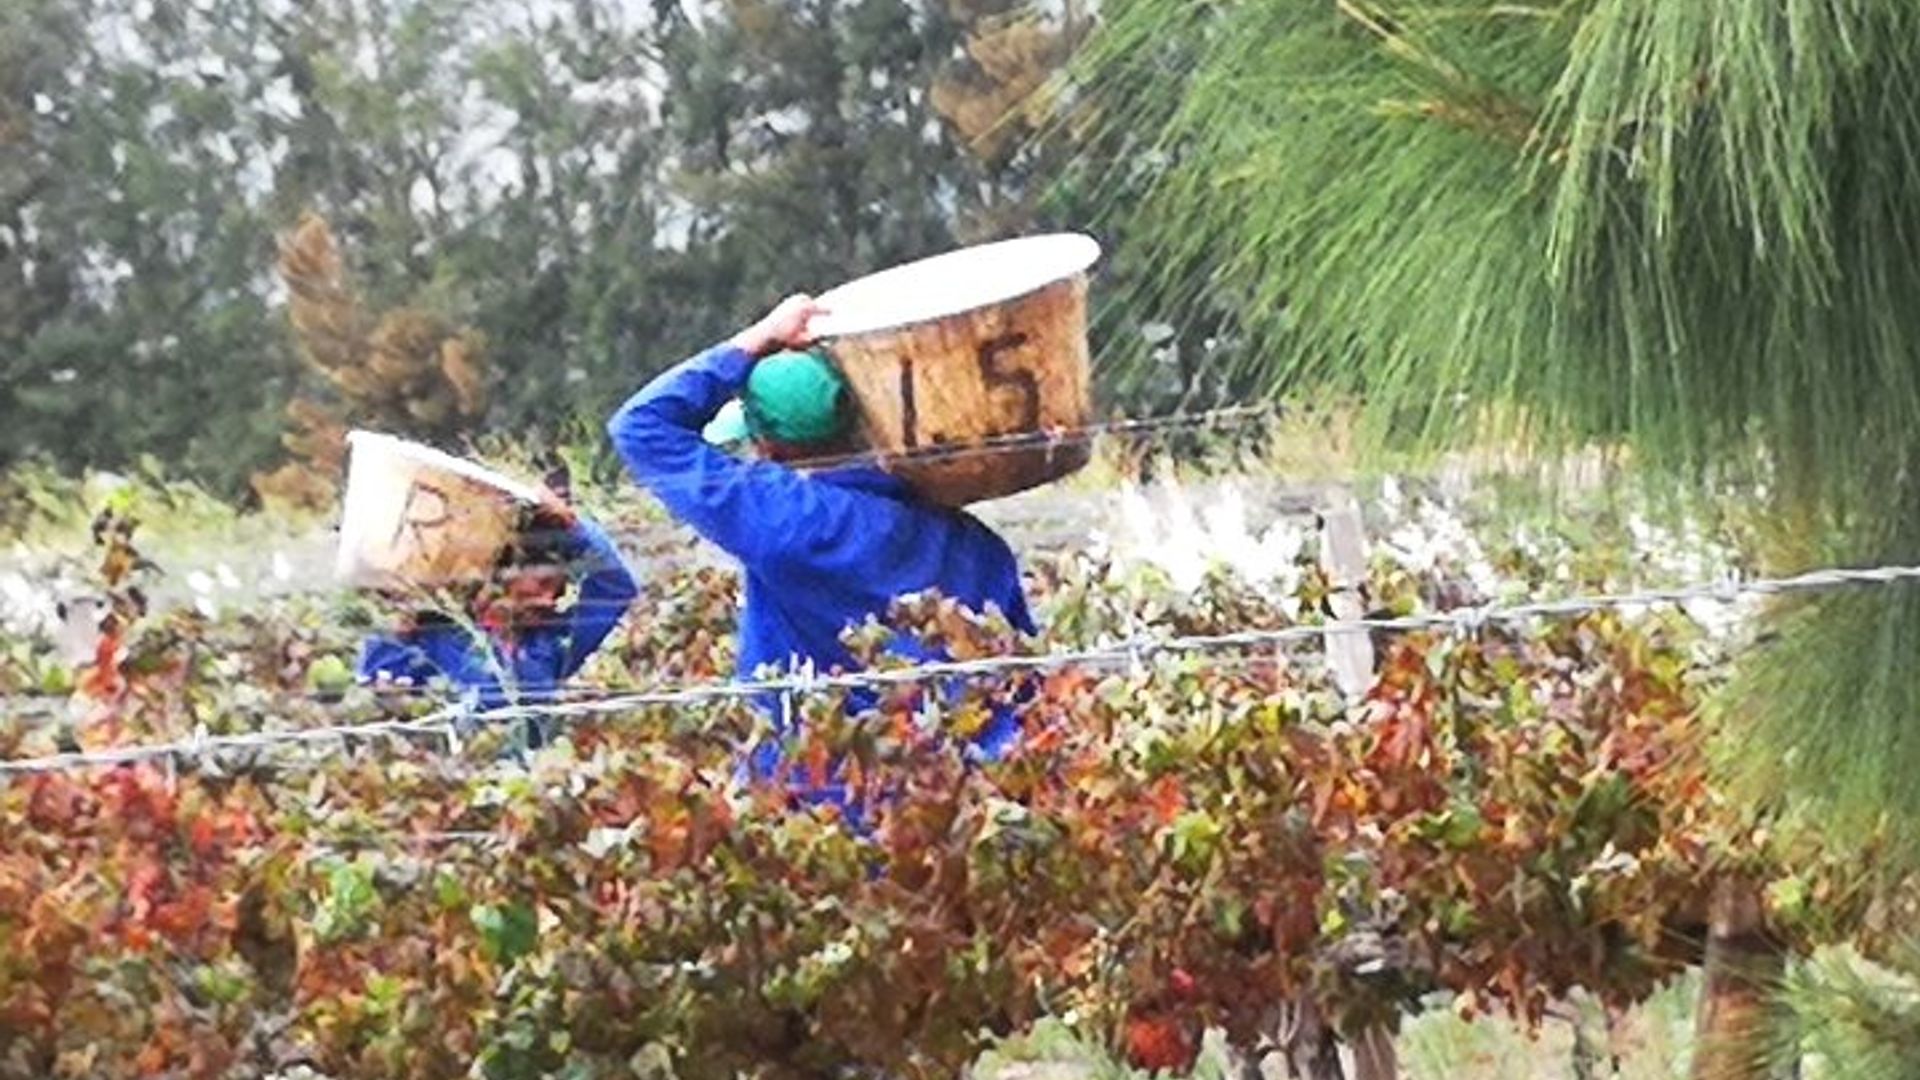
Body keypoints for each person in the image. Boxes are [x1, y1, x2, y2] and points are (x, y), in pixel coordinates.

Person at [606, 295, 1035, 815]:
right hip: (956, 819)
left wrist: (757, 336)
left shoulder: (787, 519)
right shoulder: (975, 544)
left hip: (812, 815)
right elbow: (1023, 690)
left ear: (768, 447)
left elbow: (642, 428)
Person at [355, 478, 639, 750]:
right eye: (541, 583)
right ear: (501, 575)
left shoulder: (551, 645)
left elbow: (616, 588)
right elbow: (378, 702)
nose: (548, 600)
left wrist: (574, 528)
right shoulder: (431, 636)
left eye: (558, 590)